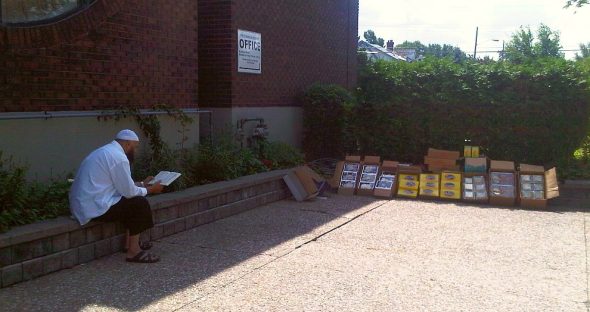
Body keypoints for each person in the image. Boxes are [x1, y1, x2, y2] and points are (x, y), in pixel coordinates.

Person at [69, 129, 164, 263]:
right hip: (94, 207)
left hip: (86, 204)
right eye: (134, 147)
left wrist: (143, 183)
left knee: (131, 201)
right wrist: (151, 190)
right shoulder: (118, 158)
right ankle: (133, 252)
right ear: (127, 144)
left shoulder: (106, 151)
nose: (135, 152)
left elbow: (121, 186)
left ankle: (129, 244)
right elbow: (129, 192)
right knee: (139, 203)